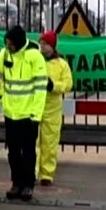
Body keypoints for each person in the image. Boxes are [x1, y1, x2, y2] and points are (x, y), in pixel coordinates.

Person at [0, 25, 49, 202]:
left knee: (28, 152)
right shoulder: (4, 54)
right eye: (7, 42)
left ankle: (28, 185)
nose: (8, 46)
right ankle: (16, 183)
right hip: (10, 113)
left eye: (11, 43)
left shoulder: (34, 56)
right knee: (13, 152)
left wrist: (36, 115)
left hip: (28, 115)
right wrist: (1, 97)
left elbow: (40, 88)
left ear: (18, 42)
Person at [37, 30, 73, 187]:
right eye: (41, 43)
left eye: (45, 43)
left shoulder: (61, 64)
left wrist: (53, 86)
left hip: (52, 109)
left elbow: (68, 84)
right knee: (33, 142)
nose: (42, 46)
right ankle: (32, 172)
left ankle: (46, 174)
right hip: (35, 106)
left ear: (52, 46)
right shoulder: (35, 60)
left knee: (50, 143)